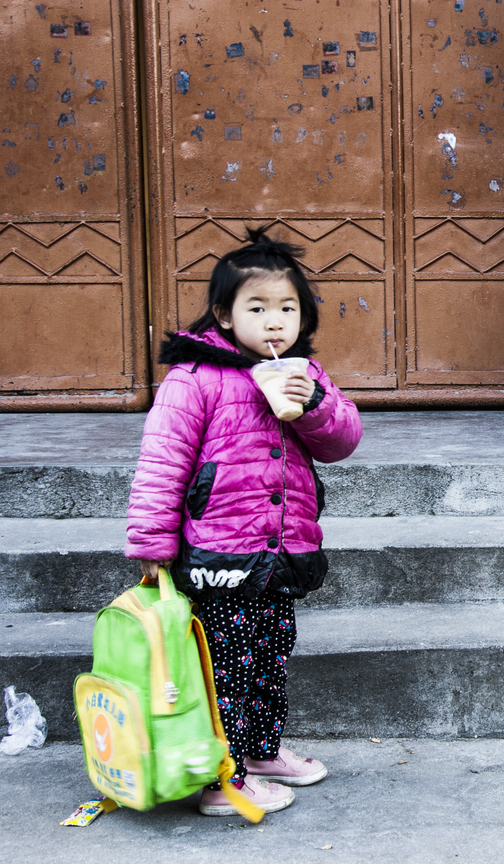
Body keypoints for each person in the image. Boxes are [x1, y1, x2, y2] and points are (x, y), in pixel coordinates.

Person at [125, 227, 363, 815]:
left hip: (282, 552)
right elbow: (162, 464)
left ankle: (257, 753)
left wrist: (312, 404)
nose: (274, 321)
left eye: (287, 308)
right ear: (225, 317)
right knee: (224, 670)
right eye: (257, 308)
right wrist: (153, 546)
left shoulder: (306, 374)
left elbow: (342, 441)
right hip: (219, 554)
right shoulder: (195, 380)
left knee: (269, 655)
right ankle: (219, 779)